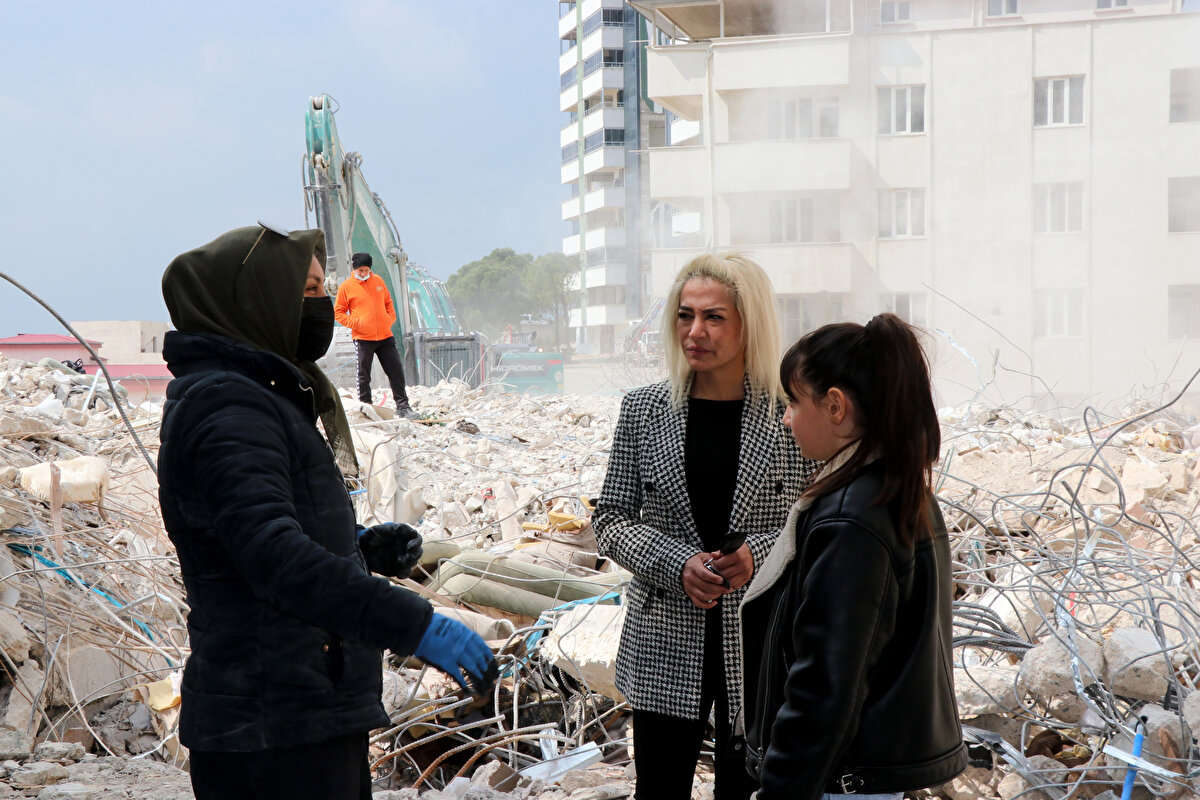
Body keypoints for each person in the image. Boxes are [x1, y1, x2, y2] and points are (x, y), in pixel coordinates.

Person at [158, 224, 496, 800]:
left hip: (299, 710)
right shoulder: (229, 408)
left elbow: (256, 529)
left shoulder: (260, 395)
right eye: (309, 290)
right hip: (270, 728)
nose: (323, 305)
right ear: (259, 297)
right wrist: (413, 624)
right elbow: (273, 558)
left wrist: (357, 545)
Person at [594, 253, 819, 800]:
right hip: (665, 637)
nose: (695, 331)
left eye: (714, 317)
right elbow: (610, 517)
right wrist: (678, 565)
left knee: (746, 790)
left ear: (750, 325)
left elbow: (814, 518)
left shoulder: (791, 415)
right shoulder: (644, 410)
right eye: (684, 315)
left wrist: (758, 556)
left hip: (761, 639)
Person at [738, 313, 967, 800]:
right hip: (869, 774)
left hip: (841, 782)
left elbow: (825, 685)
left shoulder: (851, 519)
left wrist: (782, 790)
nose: (786, 419)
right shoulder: (895, 487)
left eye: (793, 403)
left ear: (836, 406)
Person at [334, 251, 417, 418]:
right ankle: (366, 408)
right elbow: (339, 312)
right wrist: (356, 323)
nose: (363, 273)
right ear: (354, 269)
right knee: (363, 375)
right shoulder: (346, 287)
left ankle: (403, 406)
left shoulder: (378, 281)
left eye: (366, 270)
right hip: (363, 338)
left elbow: (388, 301)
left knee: (395, 371)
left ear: (370, 269)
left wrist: (389, 318)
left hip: (385, 336)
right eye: (360, 271)